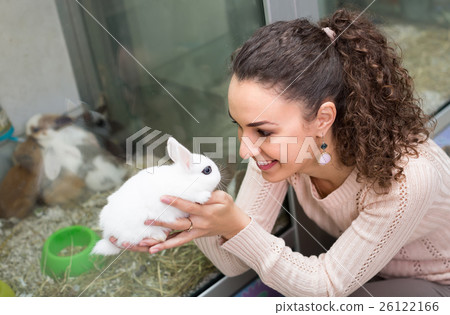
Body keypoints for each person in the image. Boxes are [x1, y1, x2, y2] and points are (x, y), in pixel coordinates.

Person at [114, 9, 450, 297]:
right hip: (376, 269)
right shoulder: (283, 154)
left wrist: (237, 226)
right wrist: (188, 213)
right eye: (240, 126)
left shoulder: (407, 179)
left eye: (262, 131)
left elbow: (325, 286)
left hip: (438, 281)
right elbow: (233, 263)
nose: (246, 150)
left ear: (323, 118)